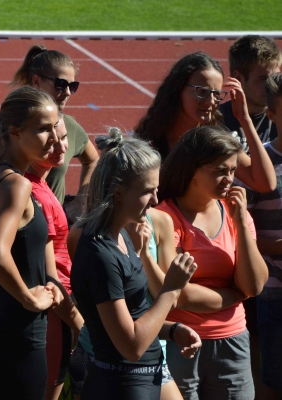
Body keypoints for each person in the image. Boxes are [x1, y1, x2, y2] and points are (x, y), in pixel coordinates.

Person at [69, 127, 200, 400]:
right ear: (118, 192)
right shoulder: (100, 255)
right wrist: (171, 290)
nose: (155, 200)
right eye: (147, 192)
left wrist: (172, 330)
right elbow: (131, 345)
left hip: (142, 376)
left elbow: (131, 317)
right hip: (122, 382)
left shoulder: (123, 236)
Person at [0, 86, 65, 399]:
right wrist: (29, 299)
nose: (54, 139)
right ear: (16, 133)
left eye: (55, 128)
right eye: (44, 129)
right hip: (16, 334)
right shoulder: (17, 185)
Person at [156, 126, 268, 399]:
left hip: (232, 342)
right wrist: (233, 294)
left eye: (232, 170)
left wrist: (241, 222)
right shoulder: (165, 218)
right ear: (192, 169)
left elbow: (253, 285)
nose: (229, 179)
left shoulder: (235, 215)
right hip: (181, 344)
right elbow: (178, 294)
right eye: (220, 170)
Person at [134, 51, 276, 194]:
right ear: (178, 89)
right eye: (201, 92)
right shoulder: (149, 143)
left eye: (216, 94)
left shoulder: (216, 141)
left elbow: (265, 184)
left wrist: (244, 119)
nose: (210, 102)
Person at [24, 115, 83, 400]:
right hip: (53, 312)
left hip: (55, 310)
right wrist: (78, 323)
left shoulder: (40, 186)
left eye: (63, 137)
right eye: (51, 137)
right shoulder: (36, 192)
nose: (60, 145)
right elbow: (51, 275)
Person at [11, 44, 99, 219]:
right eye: (60, 84)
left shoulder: (70, 126)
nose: (67, 92)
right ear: (36, 81)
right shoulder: (11, 122)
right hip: (18, 223)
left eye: (72, 86)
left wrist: (81, 202)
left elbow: (93, 160)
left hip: (54, 228)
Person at [243, 72, 282, 400]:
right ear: (271, 115)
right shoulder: (260, 163)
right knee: (272, 378)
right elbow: (241, 236)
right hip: (275, 292)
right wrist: (276, 246)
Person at [220, 35, 282, 152]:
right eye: (263, 79)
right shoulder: (218, 122)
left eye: (276, 77)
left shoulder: (279, 116)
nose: (271, 85)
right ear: (238, 78)